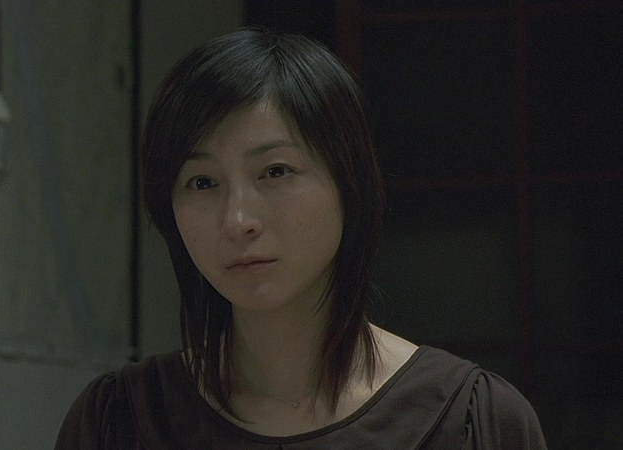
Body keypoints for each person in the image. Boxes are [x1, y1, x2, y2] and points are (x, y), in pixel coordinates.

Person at [55, 28, 547, 449]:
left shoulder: (470, 421)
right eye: (202, 182)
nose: (238, 220)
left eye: (275, 171)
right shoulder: (119, 421)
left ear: (348, 183)